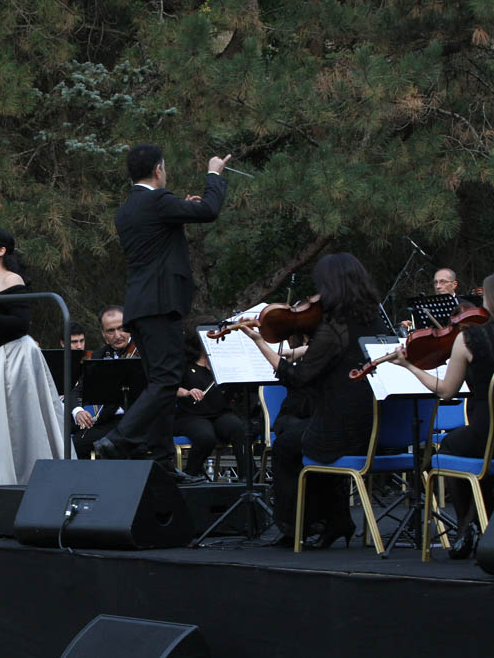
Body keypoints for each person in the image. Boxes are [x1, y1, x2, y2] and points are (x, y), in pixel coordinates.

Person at [92, 144, 230, 485]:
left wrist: (182, 208)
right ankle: (119, 439)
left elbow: (159, 237)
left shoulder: (129, 208)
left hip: (140, 306)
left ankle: (162, 459)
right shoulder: (157, 201)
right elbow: (210, 210)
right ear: (158, 169)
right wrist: (213, 174)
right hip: (160, 304)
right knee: (167, 380)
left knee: (160, 383)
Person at [242, 253, 389, 548]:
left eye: (320, 287)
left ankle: (295, 528)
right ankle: (335, 521)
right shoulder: (375, 321)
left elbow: (298, 378)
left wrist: (260, 343)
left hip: (342, 431)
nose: (315, 296)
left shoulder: (335, 329)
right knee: (299, 430)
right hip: (375, 429)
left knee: (286, 445)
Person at [392, 268, 494, 558]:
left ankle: (467, 526)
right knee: (473, 454)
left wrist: (410, 366)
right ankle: (484, 522)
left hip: (489, 435)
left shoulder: (471, 337)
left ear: (492, 299)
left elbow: (446, 391)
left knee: (449, 446)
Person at [0, 226, 69, 485]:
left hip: (16, 358)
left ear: (1, 250)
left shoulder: (12, 280)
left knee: (22, 423)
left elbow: (20, 325)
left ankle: (37, 481)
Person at [172, 331, 246, 477]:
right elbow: (170, 387)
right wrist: (187, 392)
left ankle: (247, 478)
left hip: (220, 413)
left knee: (238, 428)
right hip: (190, 415)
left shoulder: (222, 363)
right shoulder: (184, 364)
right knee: (205, 437)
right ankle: (191, 475)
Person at [70, 305, 137, 459]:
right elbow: (78, 390)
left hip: (140, 420)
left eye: (121, 328)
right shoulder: (99, 355)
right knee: (76, 444)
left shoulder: (144, 350)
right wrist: (78, 411)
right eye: (110, 331)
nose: (117, 335)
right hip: (111, 420)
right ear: (103, 333)